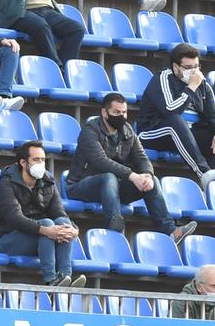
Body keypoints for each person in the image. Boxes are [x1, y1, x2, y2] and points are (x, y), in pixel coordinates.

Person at [69, 92, 188, 240]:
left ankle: (170, 231)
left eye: (124, 112)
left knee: (152, 182)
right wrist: (132, 175)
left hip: (114, 190)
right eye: (116, 112)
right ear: (104, 113)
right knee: (109, 177)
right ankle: (115, 229)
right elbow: (101, 161)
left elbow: (142, 158)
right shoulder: (90, 131)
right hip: (81, 186)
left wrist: (147, 175)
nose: (121, 116)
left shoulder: (127, 130)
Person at [135, 44, 215, 183]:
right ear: (175, 67)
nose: (194, 72)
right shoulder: (163, 78)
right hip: (154, 132)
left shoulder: (203, 83)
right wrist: (191, 87)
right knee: (175, 121)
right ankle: (204, 173)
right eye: (188, 68)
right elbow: (171, 110)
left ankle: (214, 186)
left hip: (187, 134)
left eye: (196, 66)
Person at [0, 141, 82, 286]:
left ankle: (66, 277)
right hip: (7, 240)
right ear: (23, 162)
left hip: (39, 239)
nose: (41, 164)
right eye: (36, 160)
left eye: (43, 160)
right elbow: (15, 219)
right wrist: (46, 230)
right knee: (47, 224)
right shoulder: (6, 184)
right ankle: (51, 280)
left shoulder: (48, 182)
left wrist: (73, 230)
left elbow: (59, 212)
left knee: (62, 224)